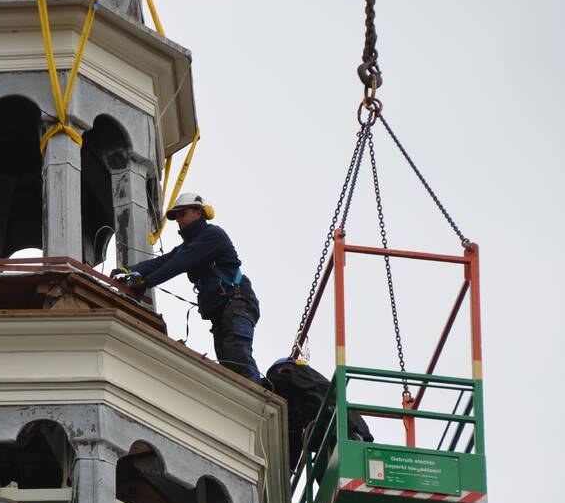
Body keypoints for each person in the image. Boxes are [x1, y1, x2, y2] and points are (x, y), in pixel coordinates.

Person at [112, 193, 261, 381]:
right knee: (228, 363)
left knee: (237, 355)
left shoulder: (213, 236)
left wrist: (146, 282)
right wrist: (129, 271)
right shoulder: (188, 245)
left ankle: (258, 402)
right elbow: (161, 262)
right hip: (223, 309)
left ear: (198, 213)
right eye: (177, 217)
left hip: (238, 303)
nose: (179, 221)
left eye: (182, 214)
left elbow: (179, 264)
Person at [263, 357, 373, 471]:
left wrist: (259, 382)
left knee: (327, 466)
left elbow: (280, 380)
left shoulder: (301, 372)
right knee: (322, 470)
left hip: (346, 430)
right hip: (336, 433)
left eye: (279, 372)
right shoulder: (302, 394)